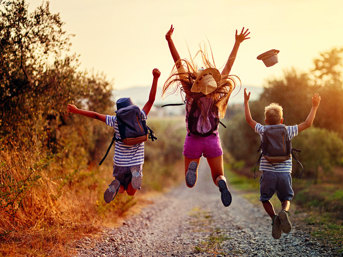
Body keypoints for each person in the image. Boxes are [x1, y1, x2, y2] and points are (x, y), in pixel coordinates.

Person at [163, 25, 250, 207]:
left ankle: (193, 168)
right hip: (212, 141)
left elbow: (178, 63)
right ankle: (222, 183)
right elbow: (228, 65)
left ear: (195, 81)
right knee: (218, 175)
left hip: (193, 139)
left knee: (189, 182)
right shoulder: (216, 94)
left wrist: (170, 40)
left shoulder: (190, 94)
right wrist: (237, 43)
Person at [67, 68, 161, 203]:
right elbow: (151, 100)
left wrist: (77, 111)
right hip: (136, 162)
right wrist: (155, 78)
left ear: (119, 111)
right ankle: (136, 174)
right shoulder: (141, 116)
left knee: (122, 188)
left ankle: (117, 184)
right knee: (131, 192)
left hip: (120, 163)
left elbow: (96, 115)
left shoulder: (115, 120)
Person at [243, 88, 321, 239]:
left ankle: (274, 218)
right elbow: (307, 123)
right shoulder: (288, 130)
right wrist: (315, 106)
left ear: (266, 120)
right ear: (281, 120)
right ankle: (283, 212)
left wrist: (246, 102)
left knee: (265, 198)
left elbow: (249, 120)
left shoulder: (263, 130)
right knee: (286, 198)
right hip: (284, 173)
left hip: (268, 174)